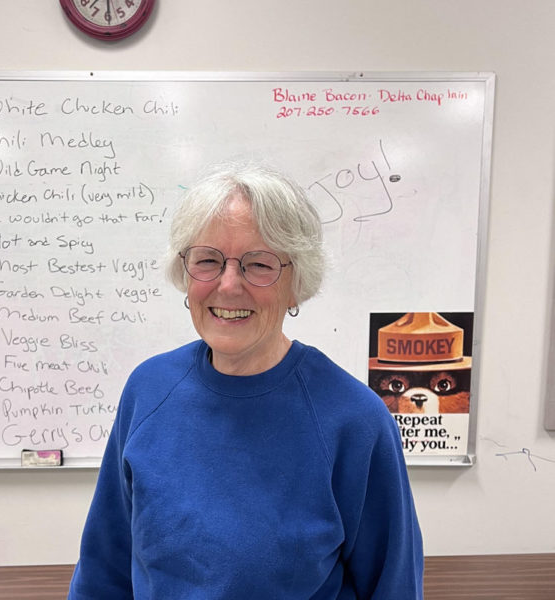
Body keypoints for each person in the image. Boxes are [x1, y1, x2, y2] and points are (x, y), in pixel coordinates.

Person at [68, 162, 424, 599]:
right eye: (207, 261)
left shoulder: (354, 420)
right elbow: (105, 569)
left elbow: (393, 586)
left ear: (297, 283)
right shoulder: (149, 389)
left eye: (259, 264)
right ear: (185, 274)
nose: (229, 285)